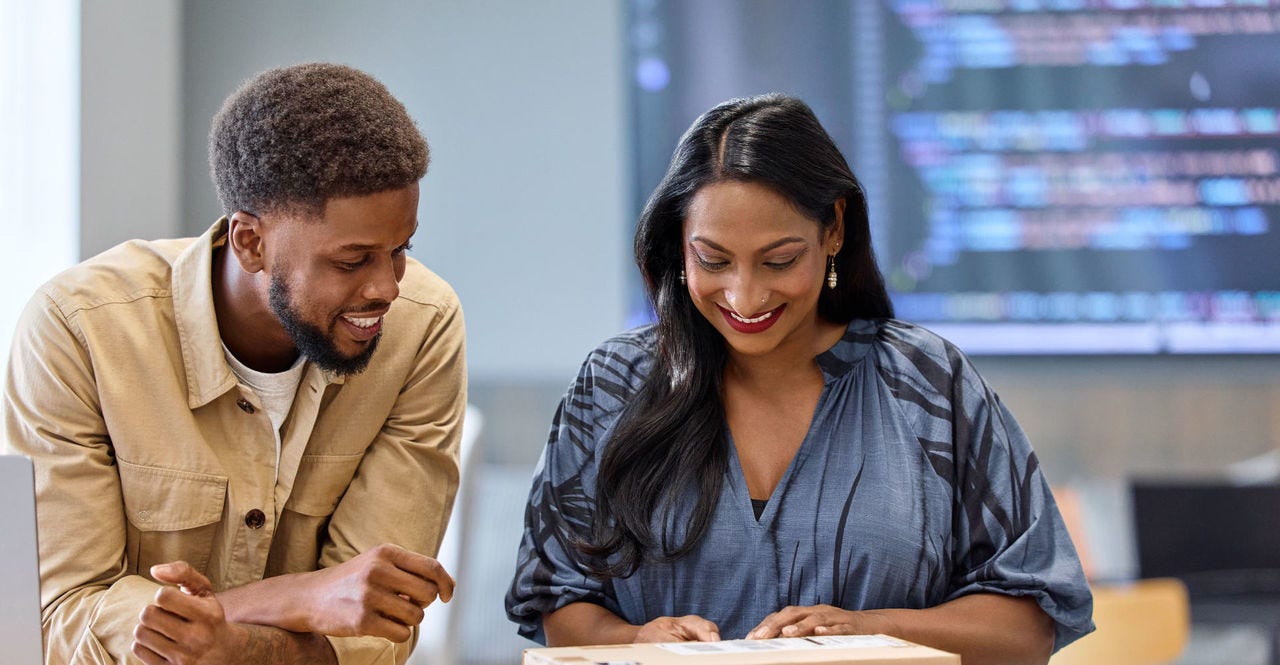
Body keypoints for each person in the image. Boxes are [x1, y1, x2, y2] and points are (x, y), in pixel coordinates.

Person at [506, 94, 1093, 664]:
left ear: (834, 229)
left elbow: (1028, 627)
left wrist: (865, 631)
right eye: (712, 260)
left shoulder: (929, 386)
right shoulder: (613, 386)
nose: (745, 296)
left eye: (779, 260)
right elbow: (560, 601)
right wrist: (634, 643)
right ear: (678, 245)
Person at [4, 63, 466, 664]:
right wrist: (298, 597)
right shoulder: (80, 328)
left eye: (400, 250)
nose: (387, 288)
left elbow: (376, 628)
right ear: (250, 242)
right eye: (352, 261)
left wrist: (229, 636)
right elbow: (58, 620)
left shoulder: (422, 328)